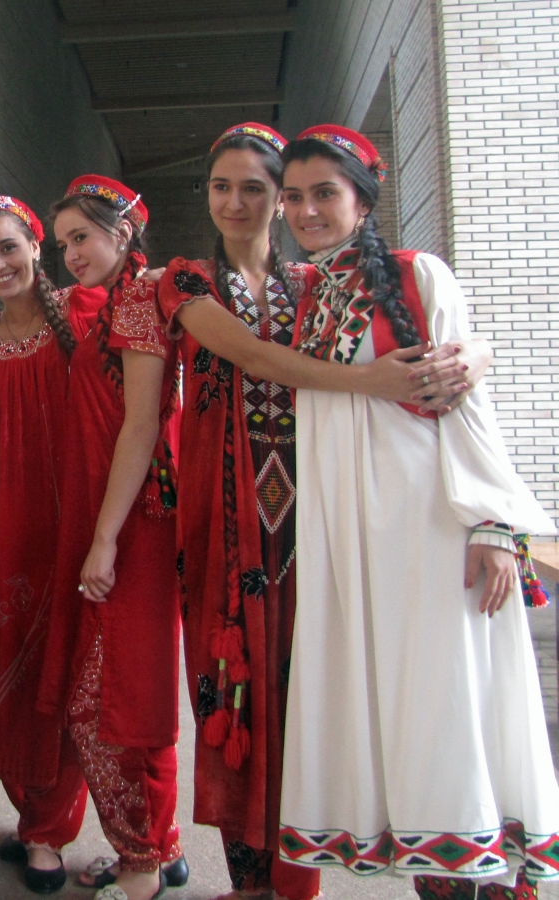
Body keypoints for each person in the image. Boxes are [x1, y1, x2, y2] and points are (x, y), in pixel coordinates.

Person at [157, 123, 491, 900]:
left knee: (319, 694)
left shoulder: (323, 287)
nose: (237, 201)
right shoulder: (182, 280)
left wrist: (478, 351)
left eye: (257, 188)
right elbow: (253, 356)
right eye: (220, 186)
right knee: (231, 689)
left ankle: (313, 871)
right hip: (224, 518)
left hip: (327, 525)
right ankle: (250, 880)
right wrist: (372, 383)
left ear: (282, 202)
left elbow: (437, 335)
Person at [272, 125, 559, 900]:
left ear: (363, 198)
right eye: (293, 196)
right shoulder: (304, 293)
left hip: (429, 527)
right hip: (348, 535)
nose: (306, 210)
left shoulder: (416, 273)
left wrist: (496, 526)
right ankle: (429, 871)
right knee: (385, 706)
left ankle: (472, 874)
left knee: (442, 699)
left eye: (324, 193)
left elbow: (472, 406)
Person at [34, 176, 182, 900]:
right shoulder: (92, 306)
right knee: (123, 689)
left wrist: (104, 539)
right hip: (103, 515)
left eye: (81, 237)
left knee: (110, 700)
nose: (70, 255)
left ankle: (141, 865)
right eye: (61, 244)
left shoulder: (149, 296)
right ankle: (158, 846)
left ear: (124, 232)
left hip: (133, 522)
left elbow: (143, 423)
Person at [0, 195, 98, 893]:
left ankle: (50, 830)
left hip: (63, 524)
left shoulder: (83, 314)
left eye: (8, 247)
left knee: (55, 669)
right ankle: (26, 816)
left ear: (36, 245)